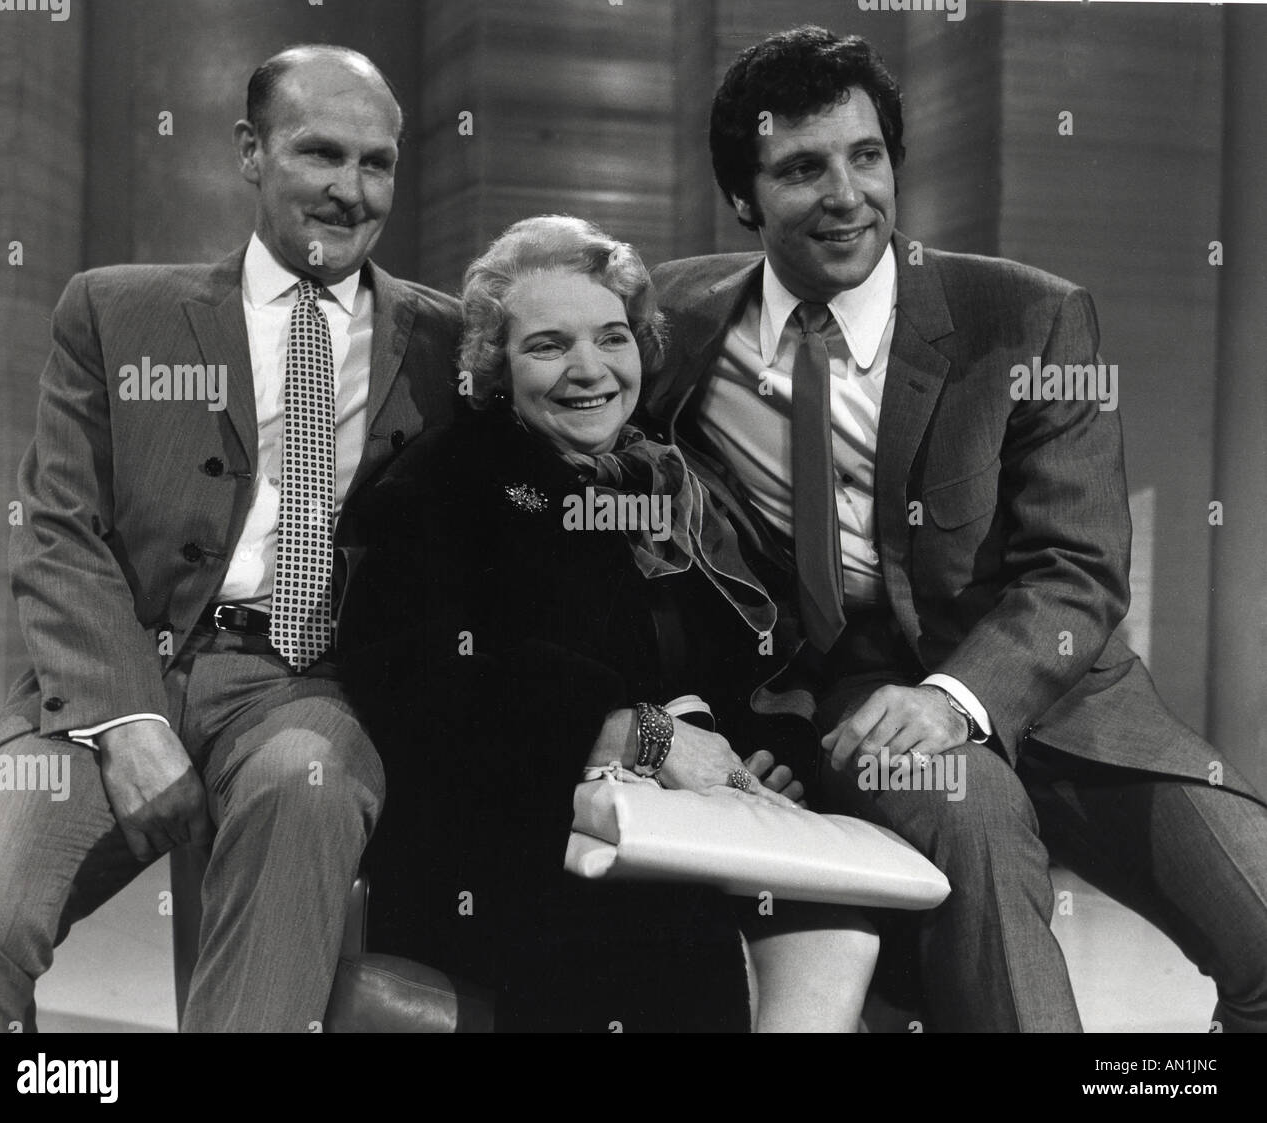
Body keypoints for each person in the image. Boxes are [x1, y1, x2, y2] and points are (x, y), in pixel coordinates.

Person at [644, 26, 1267, 1032]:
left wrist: (953, 696)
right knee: (970, 810)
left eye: (865, 157)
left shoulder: (1026, 318)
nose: (846, 193)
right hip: (854, 712)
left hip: (1069, 704)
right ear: (742, 198)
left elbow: (1076, 570)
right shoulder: (674, 327)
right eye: (802, 169)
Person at [0, 45, 461, 1032]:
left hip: (308, 687)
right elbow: (60, 532)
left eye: (376, 163)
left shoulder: (452, 345)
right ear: (249, 150)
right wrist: (128, 720)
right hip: (112, 682)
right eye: (321, 153)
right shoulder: (116, 312)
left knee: (303, 792)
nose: (349, 190)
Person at [337, 214, 880, 1033]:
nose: (589, 370)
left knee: (836, 927)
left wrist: (772, 757)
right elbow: (412, 678)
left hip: (682, 821)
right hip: (506, 832)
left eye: (612, 337)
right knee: (668, 934)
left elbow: (752, 662)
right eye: (549, 345)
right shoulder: (445, 481)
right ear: (495, 364)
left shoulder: (672, 478)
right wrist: (630, 728)